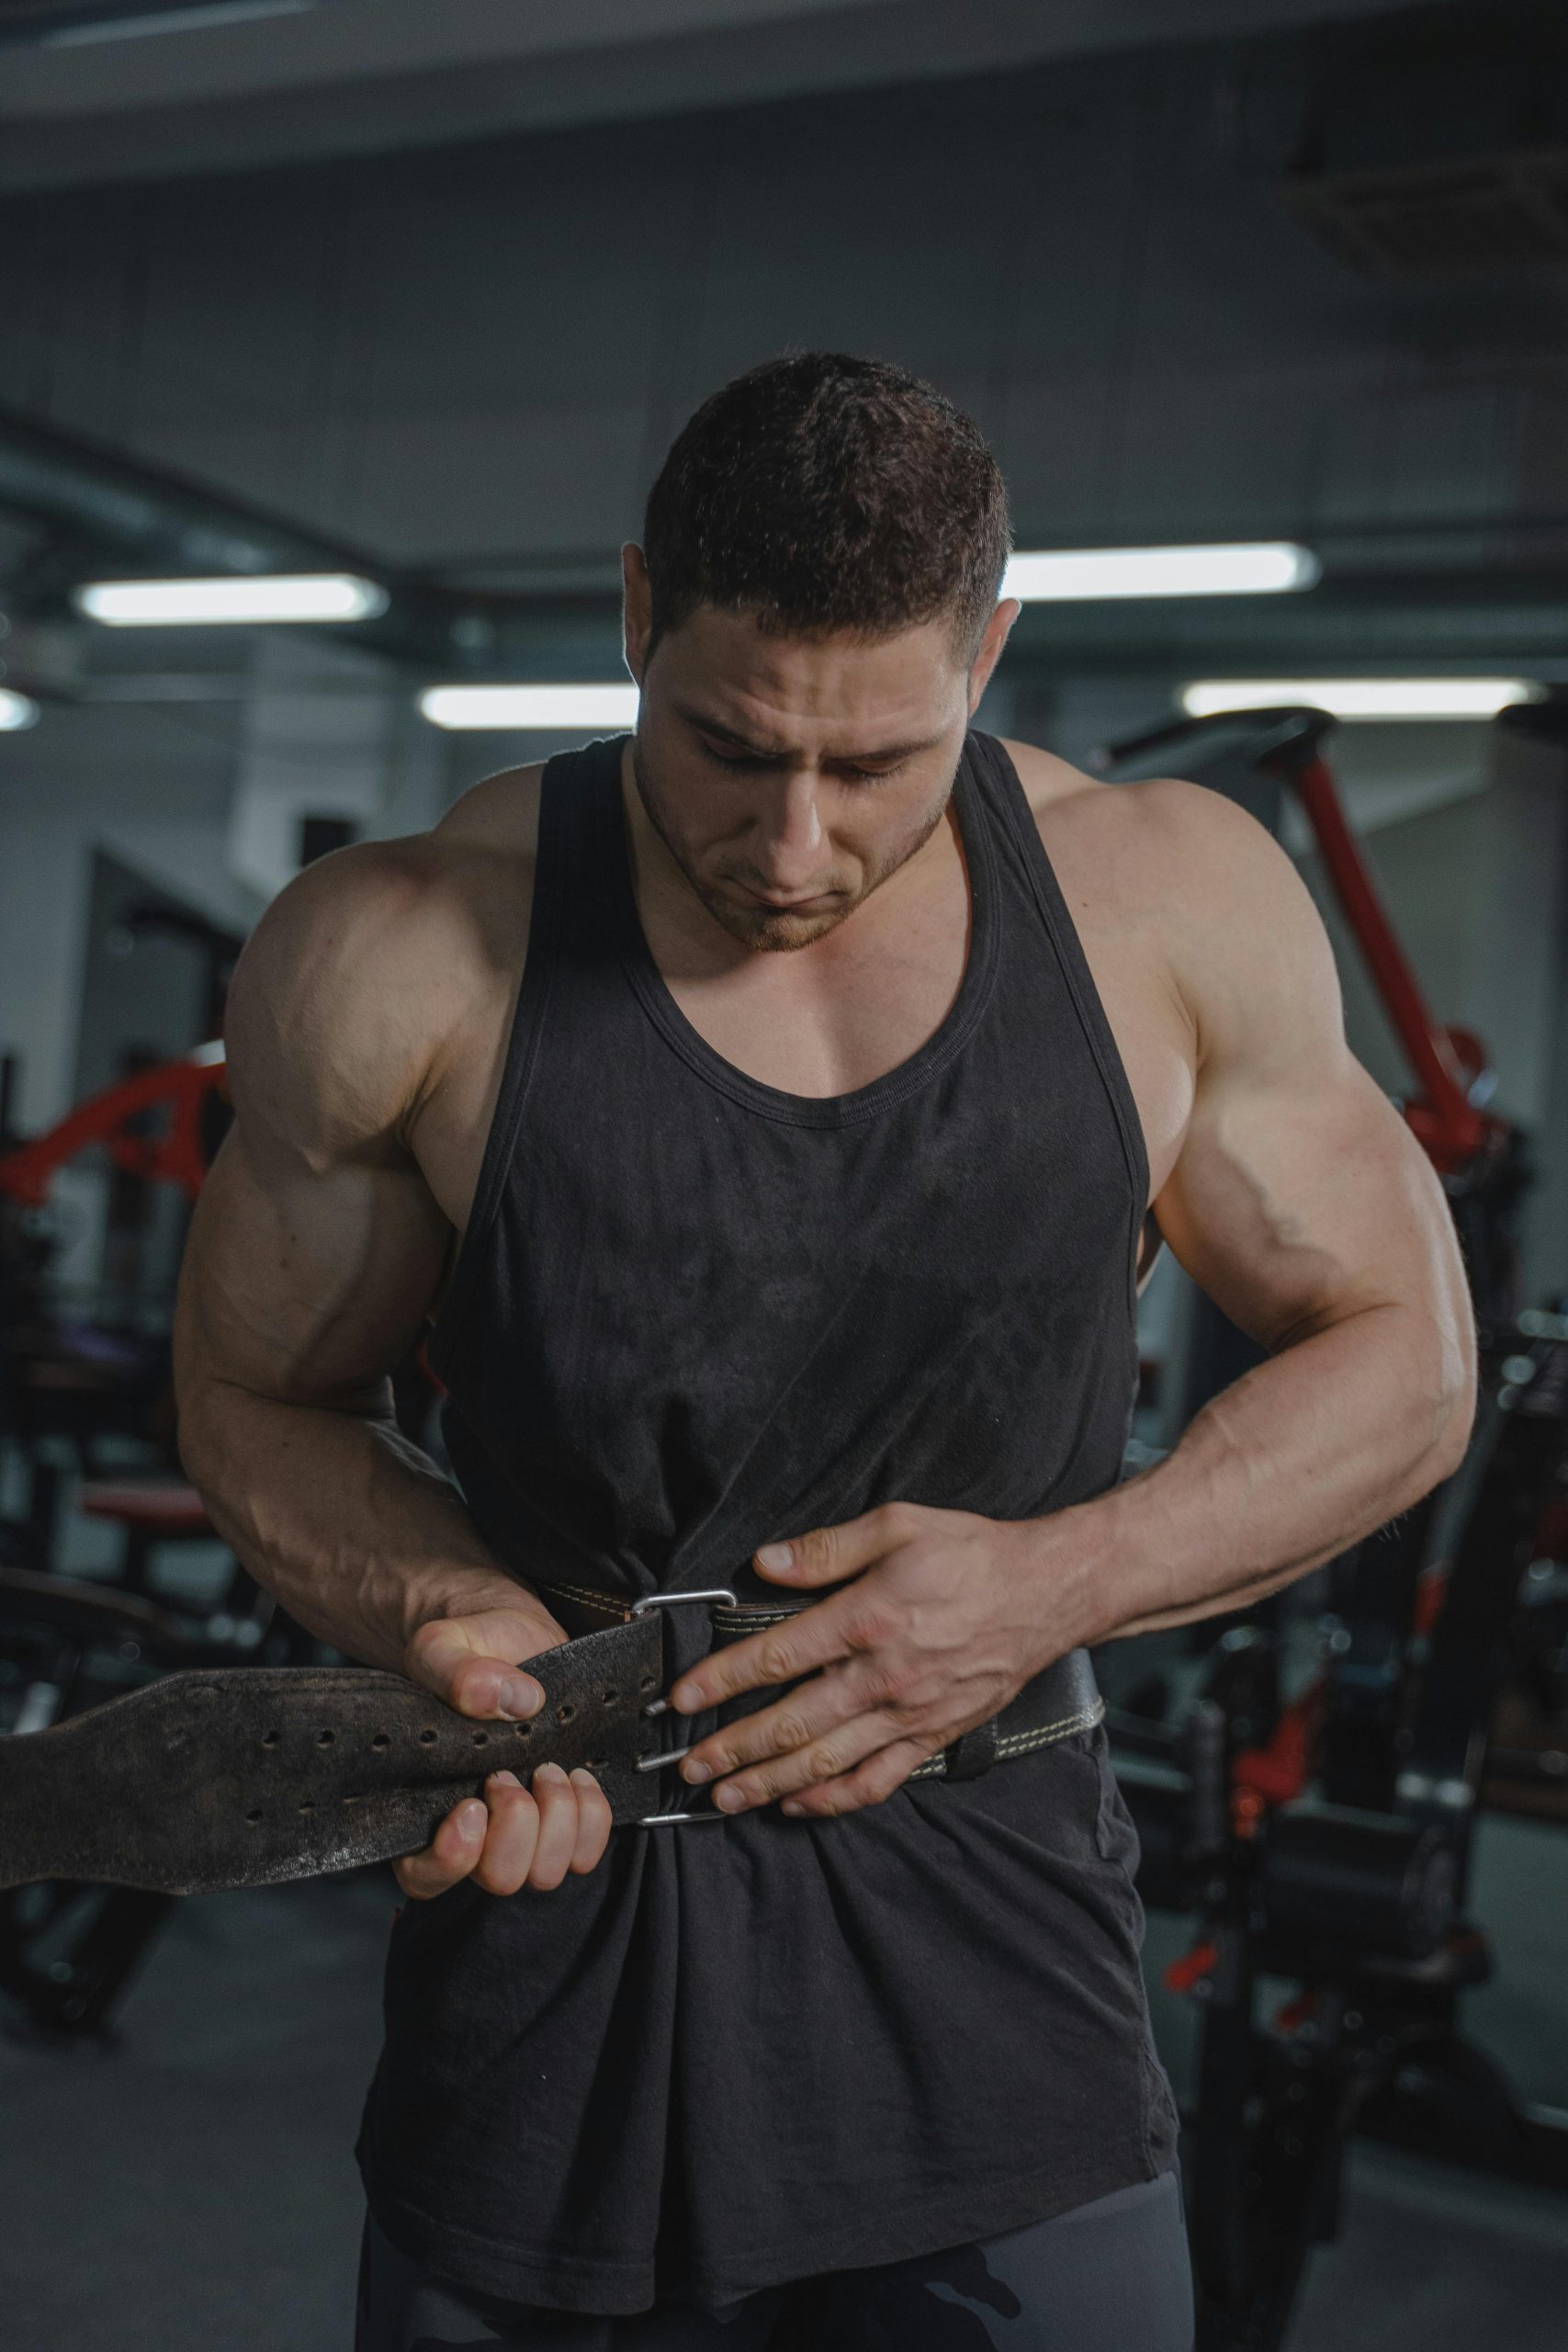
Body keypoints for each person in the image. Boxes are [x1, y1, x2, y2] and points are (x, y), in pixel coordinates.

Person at [174, 352, 1474, 2350]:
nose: (791, 843)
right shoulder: (402, 947)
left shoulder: (1163, 905)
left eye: (876, 764)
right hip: (561, 1932)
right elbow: (259, 1391)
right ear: (635, 615)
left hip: (999, 1960)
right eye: (727, 745)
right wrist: (443, 1610)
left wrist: (1055, 1581)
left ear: (989, 652)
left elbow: (1407, 1356)